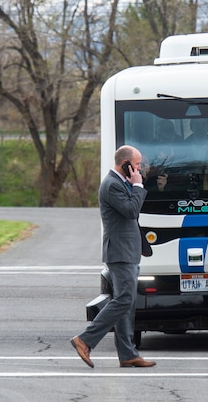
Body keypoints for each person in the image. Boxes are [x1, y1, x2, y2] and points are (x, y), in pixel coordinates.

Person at [70, 145, 156, 368]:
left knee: (127, 303)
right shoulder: (111, 185)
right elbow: (131, 211)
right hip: (119, 252)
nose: (139, 169)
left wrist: (133, 184)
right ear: (125, 164)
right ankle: (85, 339)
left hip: (127, 251)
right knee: (123, 299)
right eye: (137, 165)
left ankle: (128, 354)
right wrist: (137, 186)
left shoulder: (120, 183)